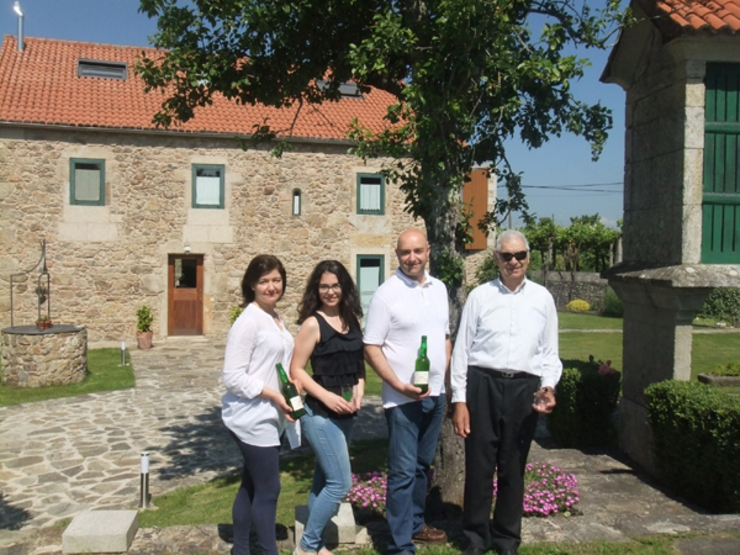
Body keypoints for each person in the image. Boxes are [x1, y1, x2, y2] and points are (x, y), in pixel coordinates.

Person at [451, 229, 562, 555]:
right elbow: (461, 351)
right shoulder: (479, 296)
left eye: (520, 255)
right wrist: (459, 399)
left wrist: (548, 386)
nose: (513, 262)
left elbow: (549, 354)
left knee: (513, 466)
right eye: (506, 256)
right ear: (497, 258)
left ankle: (507, 539)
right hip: (482, 384)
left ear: (528, 257)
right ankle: (475, 538)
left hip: (524, 389)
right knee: (479, 466)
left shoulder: (542, 298)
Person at [364, 228, 451, 555]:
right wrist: (398, 384)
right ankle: (400, 546)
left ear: (428, 251)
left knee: (420, 468)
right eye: (405, 253)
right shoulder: (386, 295)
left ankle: (415, 526)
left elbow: (444, 336)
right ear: (397, 254)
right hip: (402, 401)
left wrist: (442, 379)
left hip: (435, 397)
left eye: (417, 251)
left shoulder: (440, 289)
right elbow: (371, 346)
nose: (412, 258)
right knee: (402, 472)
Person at [221, 255, 297, 555]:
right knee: (269, 489)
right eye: (264, 281)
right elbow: (233, 376)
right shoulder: (248, 322)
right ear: (251, 284)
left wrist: (290, 387)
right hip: (252, 416)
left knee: (251, 485)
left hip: (271, 414)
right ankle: (269, 551)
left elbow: (277, 363)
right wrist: (273, 394)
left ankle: (240, 549)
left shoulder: (275, 318)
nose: (271, 286)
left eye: (276, 280)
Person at [290, 260, 365, 555]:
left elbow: (357, 364)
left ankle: (317, 544)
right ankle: (306, 548)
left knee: (322, 482)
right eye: (324, 286)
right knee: (340, 483)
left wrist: (359, 390)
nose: (330, 291)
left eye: (335, 285)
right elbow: (297, 370)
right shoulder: (312, 323)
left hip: (348, 414)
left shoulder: (352, 321)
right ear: (316, 289)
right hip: (320, 416)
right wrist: (327, 397)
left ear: (344, 287)